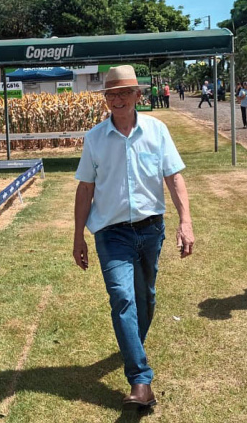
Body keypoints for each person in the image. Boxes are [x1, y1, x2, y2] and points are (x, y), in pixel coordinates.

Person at [73, 65, 194, 409]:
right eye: (112, 94)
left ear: (139, 95)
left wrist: (185, 222)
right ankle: (140, 380)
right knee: (122, 298)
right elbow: (85, 189)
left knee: (146, 299)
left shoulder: (157, 131)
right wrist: (78, 237)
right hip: (111, 234)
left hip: (150, 229)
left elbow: (174, 178)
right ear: (105, 100)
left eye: (125, 93)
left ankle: (131, 345)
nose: (118, 100)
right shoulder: (95, 138)